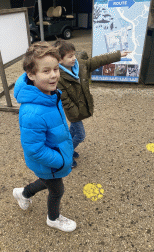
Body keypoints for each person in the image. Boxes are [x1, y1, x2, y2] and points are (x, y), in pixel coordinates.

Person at [13, 41, 76, 232]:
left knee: (47, 182)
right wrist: (60, 161)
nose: (54, 75)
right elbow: (34, 149)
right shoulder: (32, 112)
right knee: (57, 190)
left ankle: (23, 193)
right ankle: (53, 218)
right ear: (31, 75)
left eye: (56, 69)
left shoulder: (49, 93)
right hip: (50, 162)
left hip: (51, 161)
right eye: (46, 71)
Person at [53, 39, 131, 168]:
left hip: (80, 108)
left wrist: (118, 54)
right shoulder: (59, 77)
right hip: (74, 112)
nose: (74, 58)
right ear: (59, 60)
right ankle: (66, 154)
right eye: (70, 56)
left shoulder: (81, 65)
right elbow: (65, 101)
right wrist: (76, 114)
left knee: (71, 132)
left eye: (74, 54)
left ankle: (65, 147)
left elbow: (99, 60)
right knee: (80, 135)